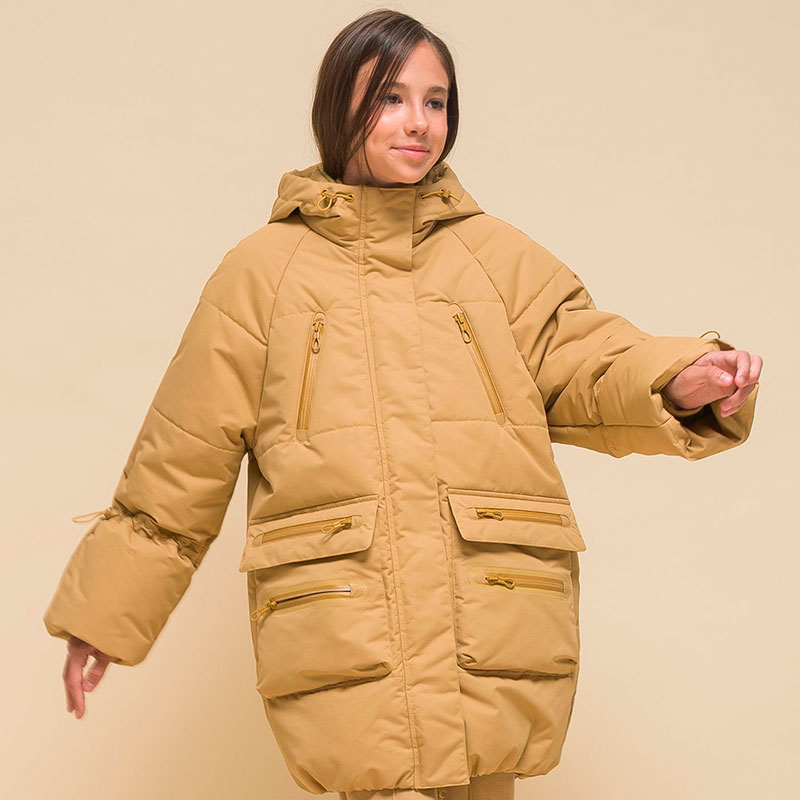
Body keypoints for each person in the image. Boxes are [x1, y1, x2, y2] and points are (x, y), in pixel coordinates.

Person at [43, 8, 762, 800]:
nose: (419, 121)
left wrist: (682, 378)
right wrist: (103, 616)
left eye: (436, 100)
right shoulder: (262, 275)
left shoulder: (495, 258)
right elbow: (178, 465)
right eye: (390, 96)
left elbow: (588, 358)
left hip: (490, 629)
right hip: (351, 633)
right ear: (337, 107)